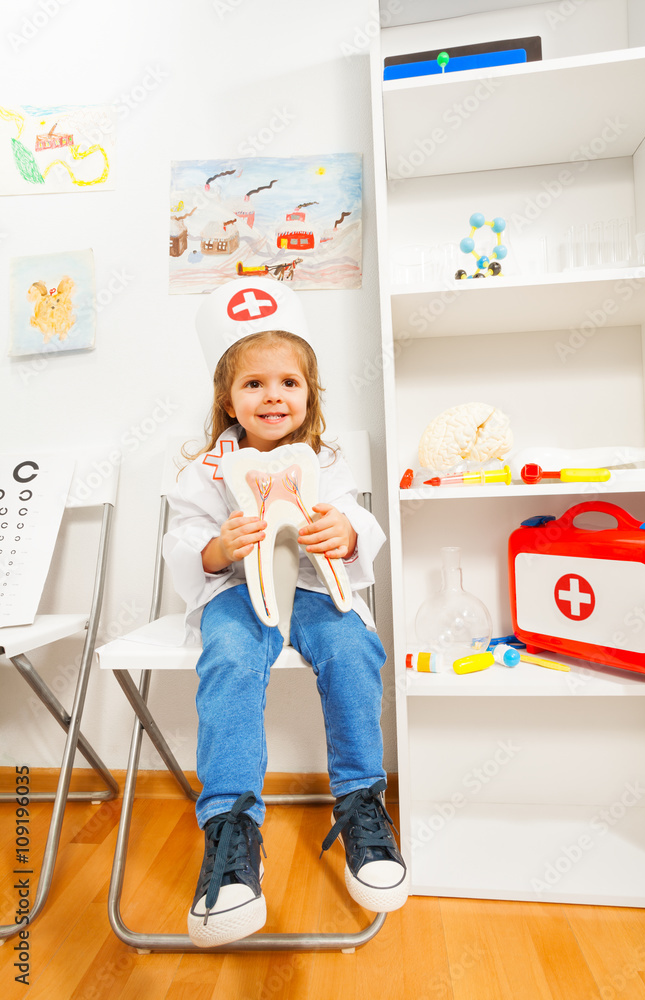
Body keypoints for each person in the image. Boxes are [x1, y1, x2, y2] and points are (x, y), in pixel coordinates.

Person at [163, 278, 408, 948]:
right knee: (232, 661)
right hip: (238, 593)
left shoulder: (328, 462)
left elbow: (357, 522)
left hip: (314, 589)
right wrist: (217, 548)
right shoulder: (200, 472)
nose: (273, 396)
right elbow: (184, 544)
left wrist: (347, 534)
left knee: (354, 649)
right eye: (253, 385)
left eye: (289, 383)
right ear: (227, 399)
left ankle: (361, 805)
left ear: (309, 395)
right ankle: (231, 829)